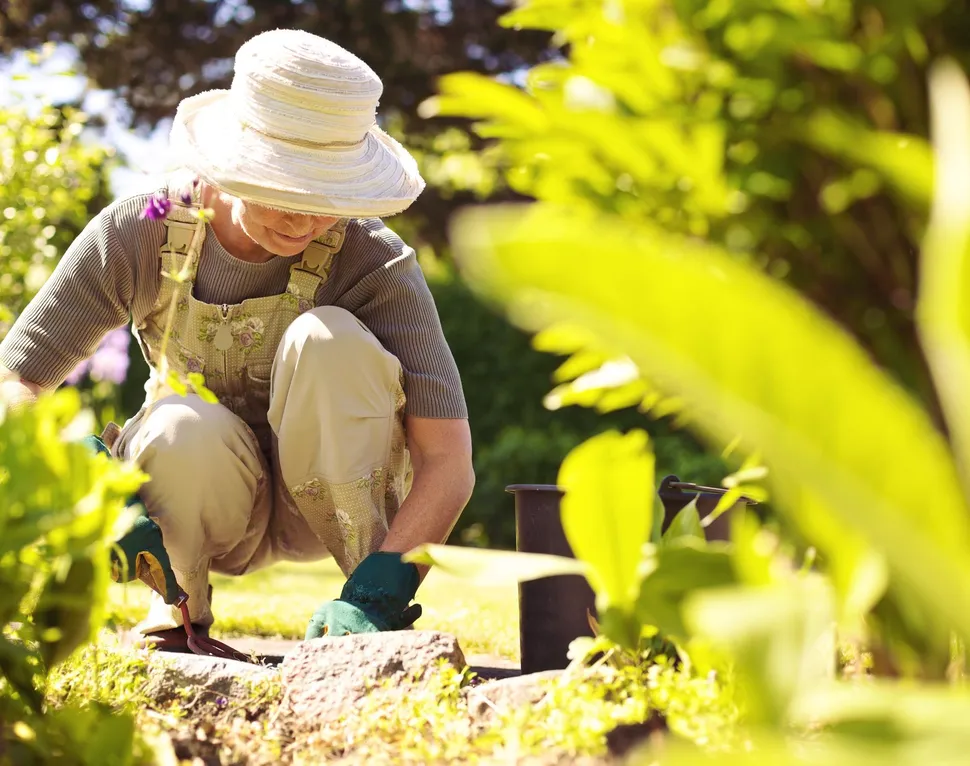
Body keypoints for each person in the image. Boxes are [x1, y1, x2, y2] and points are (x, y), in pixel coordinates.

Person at [0, 29, 474, 648]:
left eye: (327, 194)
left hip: (330, 503)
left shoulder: (372, 261)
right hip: (191, 497)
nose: (305, 219)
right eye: (285, 189)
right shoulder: (140, 233)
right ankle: (178, 611)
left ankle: (360, 625)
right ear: (232, 163)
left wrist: (387, 584)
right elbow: (17, 380)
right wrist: (83, 476)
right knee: (178, 425)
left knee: (327, 339)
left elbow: (448, 461)